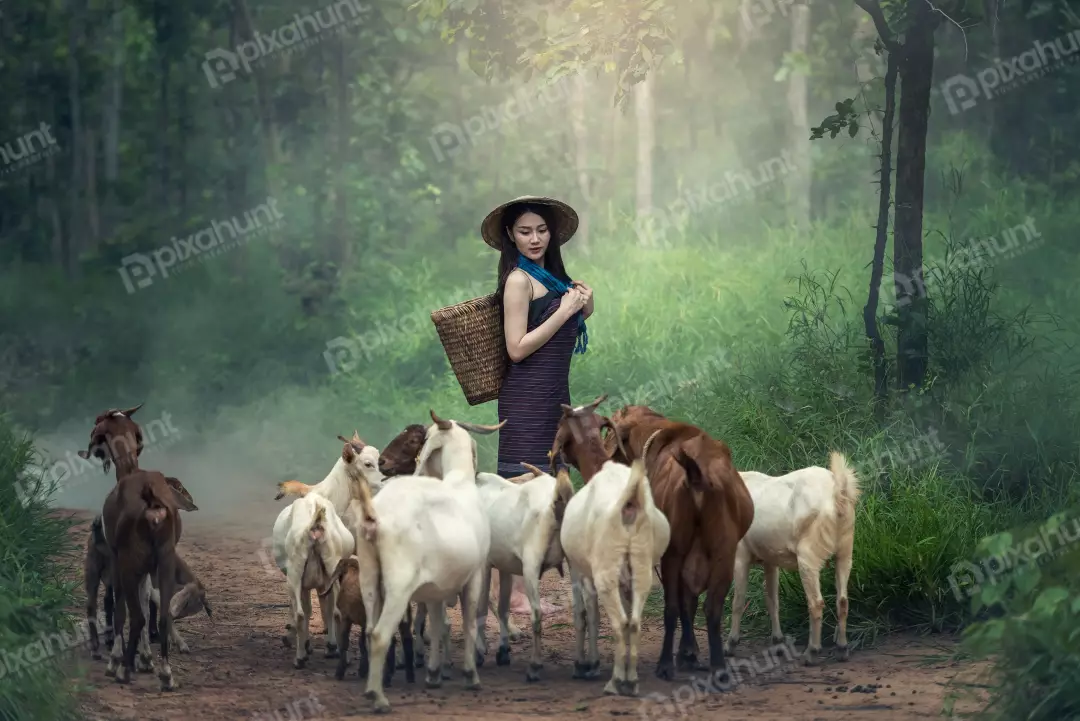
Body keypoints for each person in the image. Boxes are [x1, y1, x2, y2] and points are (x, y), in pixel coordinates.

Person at [482, 195, 594, 616]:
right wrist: (565, 310)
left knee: (549, 488)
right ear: (511, 235)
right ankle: (508, 595)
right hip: (526, 397)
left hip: (554, 398)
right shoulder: (518, 281)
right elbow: (517, 348)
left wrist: (581, 301)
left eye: (542, 230)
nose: (535, 238)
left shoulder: (552, 277)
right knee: (518, 491)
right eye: (525, 231)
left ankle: (527, 583)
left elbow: (567, 322)